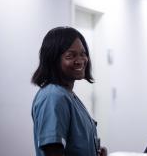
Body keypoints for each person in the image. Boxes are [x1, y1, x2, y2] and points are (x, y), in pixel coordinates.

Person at [31, 26, 107, 156]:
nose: (80, 60)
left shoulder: (66, 94)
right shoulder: (53, 97)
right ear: (53, 59)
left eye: (83, 54)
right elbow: (53, 152)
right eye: (70, 56)